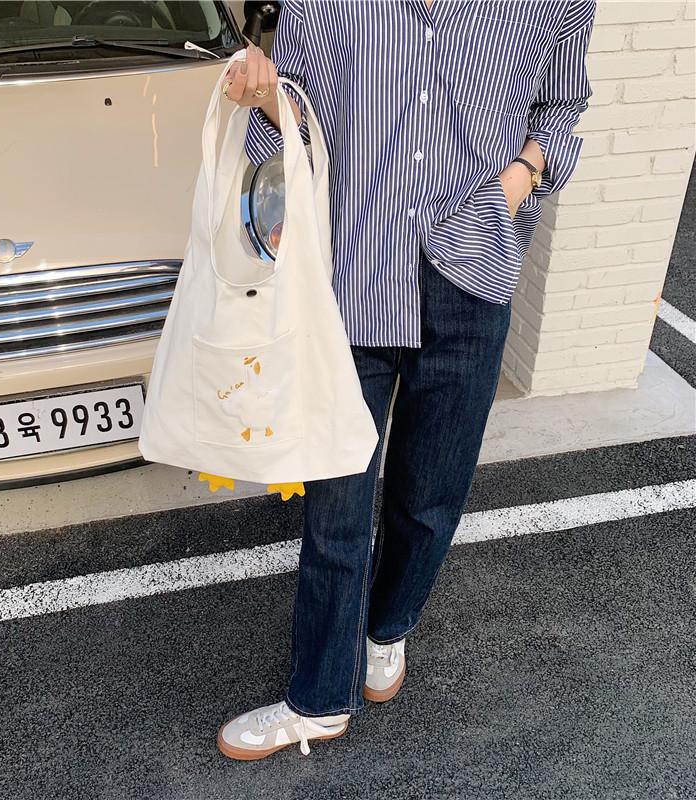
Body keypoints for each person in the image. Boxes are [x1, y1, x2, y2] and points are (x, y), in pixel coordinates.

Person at [216, 0, 596, 760]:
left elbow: (562, 104)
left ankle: (387, 630)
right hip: (354, 275)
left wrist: (518, 179)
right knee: (337, 507)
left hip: (473, 273)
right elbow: (297, 117)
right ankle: (319, 699)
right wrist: (265, 95)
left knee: (431, 495)